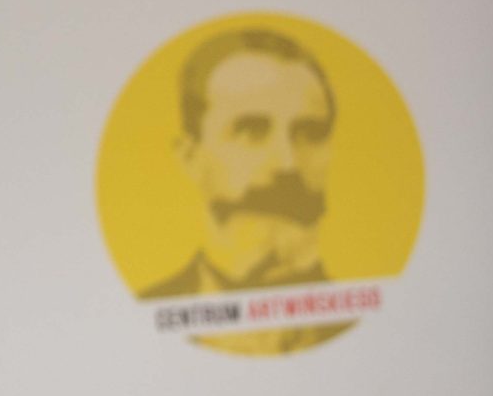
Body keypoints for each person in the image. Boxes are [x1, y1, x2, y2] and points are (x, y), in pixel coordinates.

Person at [141, 25, 350, 352]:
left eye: (309, 133)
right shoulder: (142, 316)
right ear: (190, 157)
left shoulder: (366, 318)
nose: (288, 163)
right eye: (251, 131)